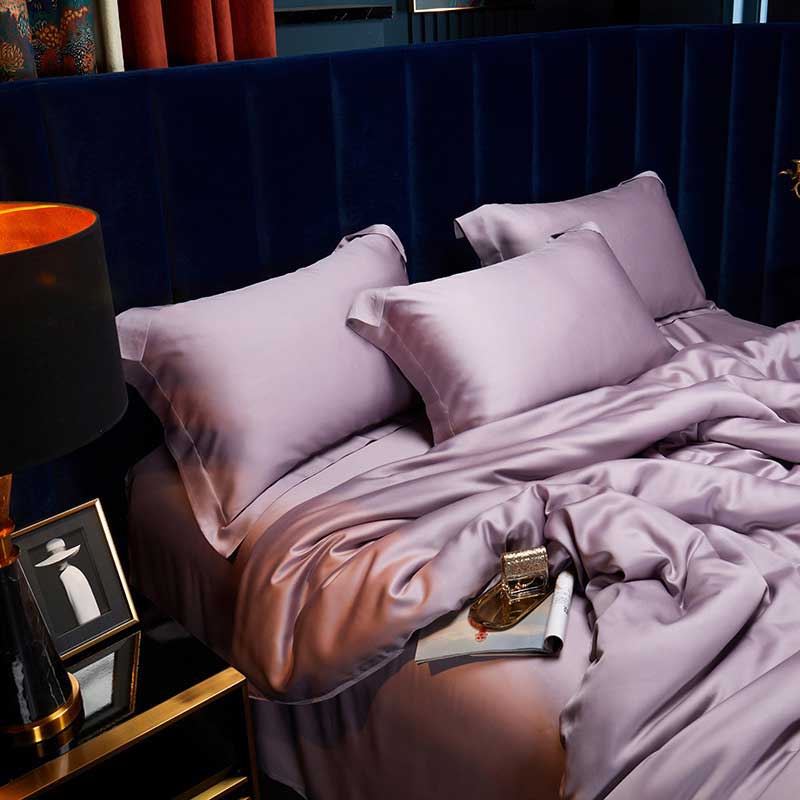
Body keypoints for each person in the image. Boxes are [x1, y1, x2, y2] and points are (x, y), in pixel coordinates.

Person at [35, 537, 101, 625]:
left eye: (61, 558)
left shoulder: (71, 574)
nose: (59, 561)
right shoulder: (64, 575)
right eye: (56, 559)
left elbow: (85, 611)